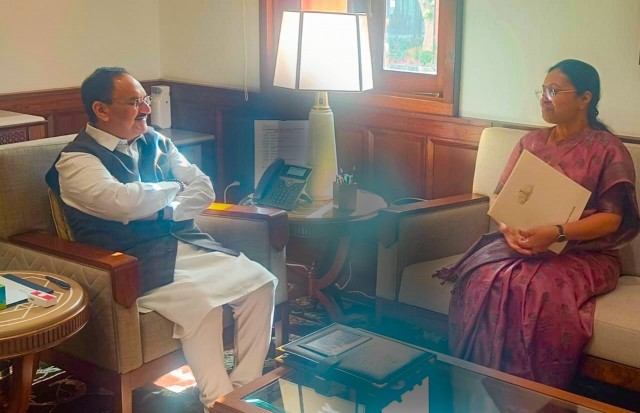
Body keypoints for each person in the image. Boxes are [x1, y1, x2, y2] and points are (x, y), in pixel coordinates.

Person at [45, 67, 277, 411]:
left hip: (186, 244)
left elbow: (204, 188)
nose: (146, 109)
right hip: (130, 262)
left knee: (261, 283)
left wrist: (161, 208)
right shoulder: (76, 161)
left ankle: (239, 395)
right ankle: (216, 402)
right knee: (203, 306)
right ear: (101, 109)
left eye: (145, 100)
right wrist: (174, 190)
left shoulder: (155, 140)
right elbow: (121, 202)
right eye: (134, 102)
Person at [436, 59, 640, 388]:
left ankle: (529, 396)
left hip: (586, 254)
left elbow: (612, 219)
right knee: (482, 277)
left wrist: (557, 233)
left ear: (585, 98)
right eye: (543, 90)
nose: (544, 98)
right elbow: (501, 199)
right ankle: (473, 386)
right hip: (524, 245)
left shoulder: (608, 150)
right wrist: (508, 230)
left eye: (554, 91)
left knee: (531, 289)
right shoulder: (531, 143)